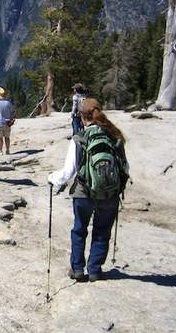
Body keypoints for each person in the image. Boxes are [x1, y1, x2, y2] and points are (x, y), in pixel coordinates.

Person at [48, 98, 128, 282]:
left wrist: (52, 178)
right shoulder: (115, 138)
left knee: (79, 230)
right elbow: (125, 168)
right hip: (109, 194)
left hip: (84, 193)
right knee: (102, 231)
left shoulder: (80, 139)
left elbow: (68, 172)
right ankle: (94, 270)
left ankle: (77, 269)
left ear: (82, 117)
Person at [0, 87, 15, 155]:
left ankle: (0, 150)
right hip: (7, 123)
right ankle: (7, 150)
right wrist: (11, 119)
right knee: (7, 138)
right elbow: (12, 113)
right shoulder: (8, 103)